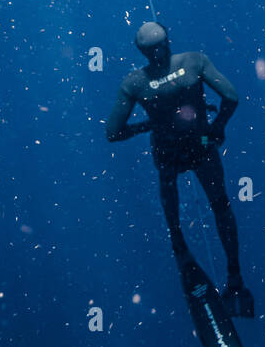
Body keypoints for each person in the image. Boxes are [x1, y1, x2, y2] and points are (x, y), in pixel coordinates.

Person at [106, 22, 254, 317]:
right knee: (221, 205)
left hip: (167, 149)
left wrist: (150, 124)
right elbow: (232, 97)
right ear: (168, 40)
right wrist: (216, 129)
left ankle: (181, 251)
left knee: (171, 203)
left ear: (142, 51)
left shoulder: (134, 83)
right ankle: (235, 277)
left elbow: (113, 132)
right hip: (200, 142)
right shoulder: (193, 61)